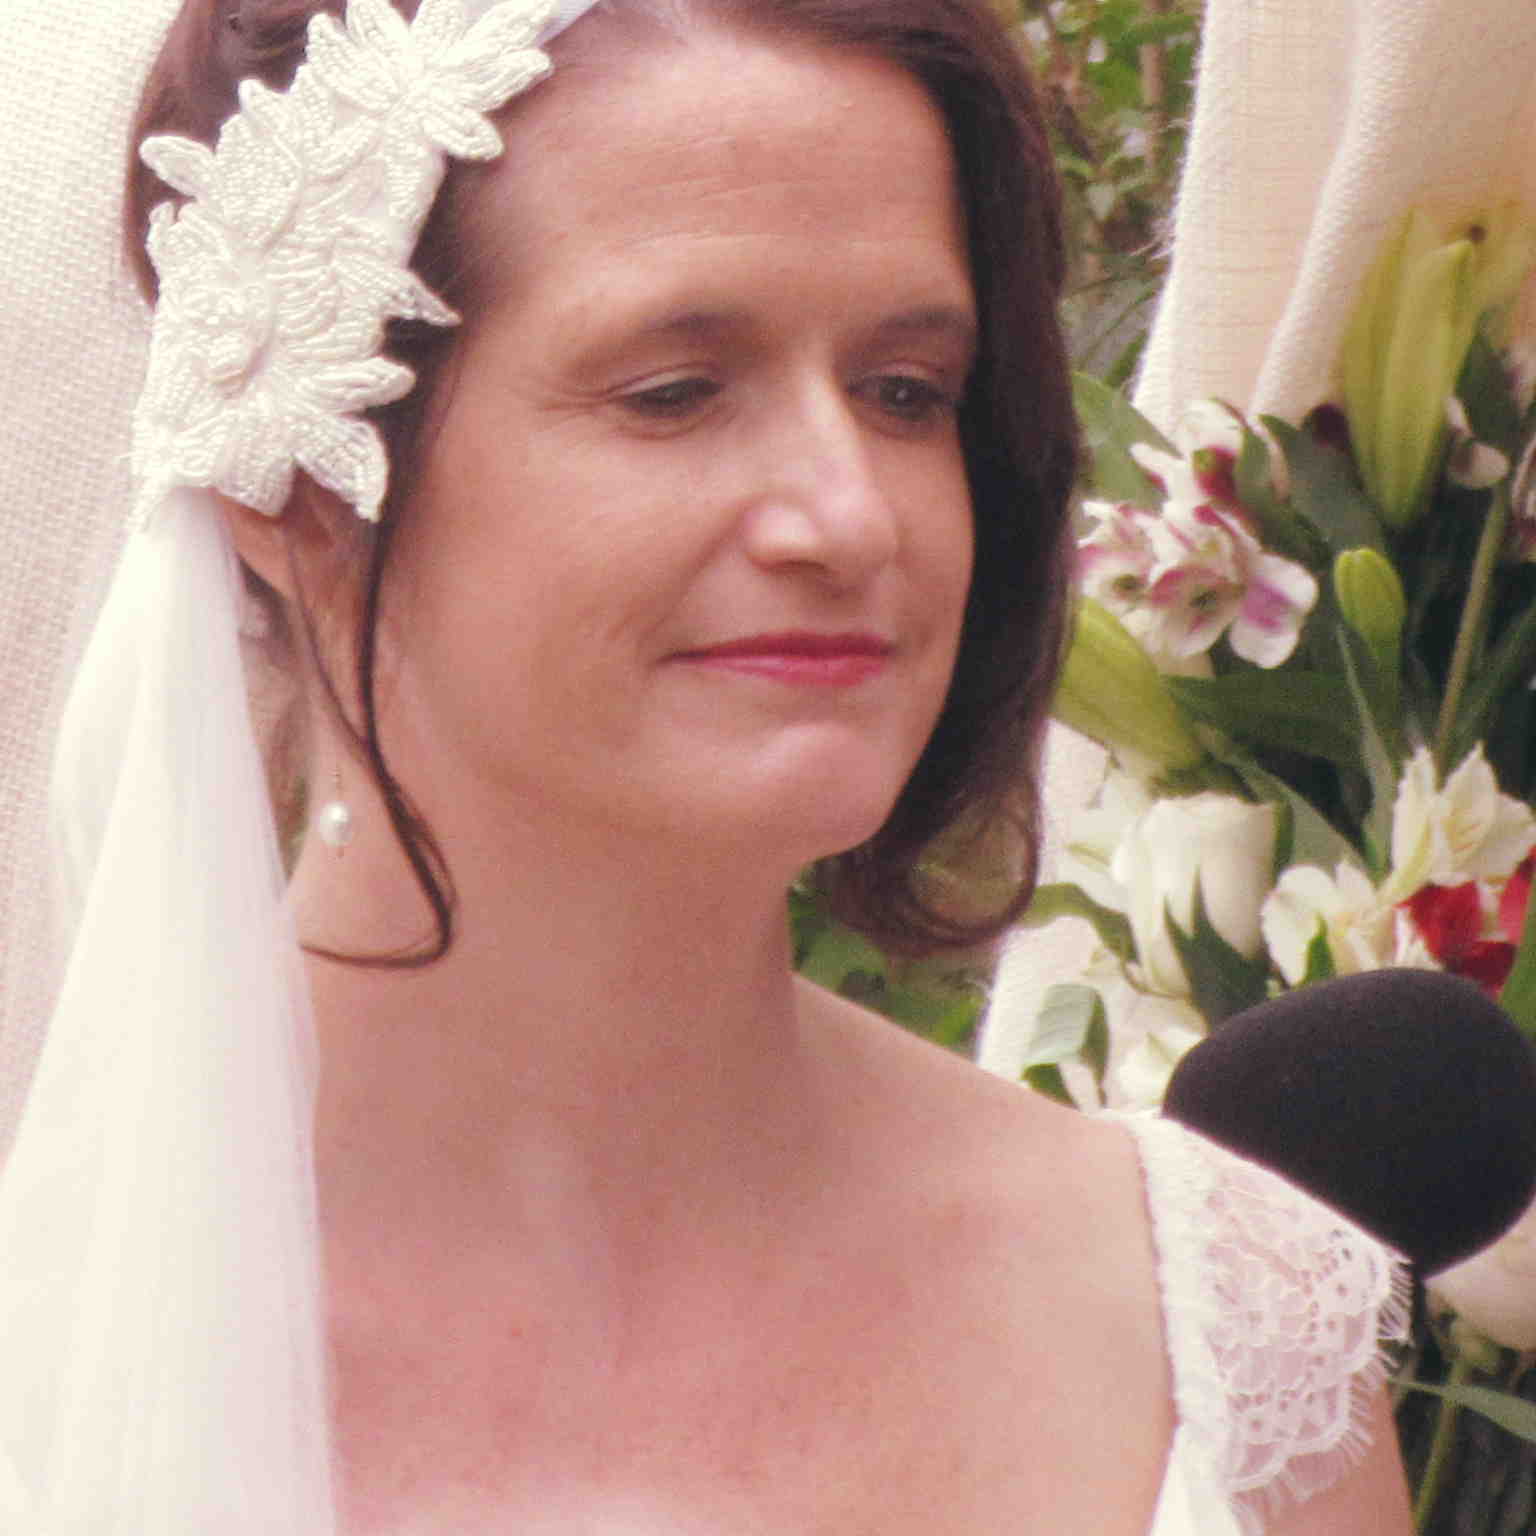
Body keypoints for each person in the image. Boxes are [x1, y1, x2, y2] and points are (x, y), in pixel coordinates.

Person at [0, 0, 1413, 1530]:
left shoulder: (1228, 1343)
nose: (850, 518)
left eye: (906, 392)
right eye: (674, 392)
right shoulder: (53, 1339)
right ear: (297, 498)